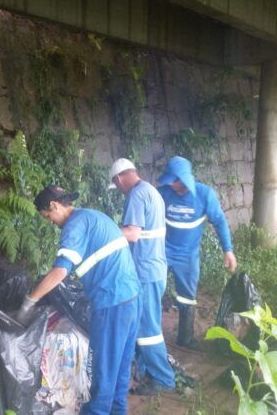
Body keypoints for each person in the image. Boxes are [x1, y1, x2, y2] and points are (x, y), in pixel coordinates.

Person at [15, 185, 141, 415]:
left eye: (47, 216)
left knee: (101, 378)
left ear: (54, 205)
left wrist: (29, 301)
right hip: (131, 299)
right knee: (119, 377)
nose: (50, 221)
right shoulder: (94, 216)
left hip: (111, 303)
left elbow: (60, 271)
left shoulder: (74, 225)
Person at [108, 158, 175, 394]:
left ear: (119, 179)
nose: (119, 191)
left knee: (148, 329)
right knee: (143, 324)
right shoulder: (152, 191)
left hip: (145, 271)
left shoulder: (136, 195)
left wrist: (105, 231)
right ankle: (146, 371)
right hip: (155, 268)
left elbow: (133, 234)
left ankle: (164, 379)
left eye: (116, 186)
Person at [157, 156, 237, 349]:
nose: (171, 185)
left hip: (188, 256)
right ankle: (149, 335)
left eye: (174, 181)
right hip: (162, 252)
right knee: (152, 290)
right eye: (169, 181)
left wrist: (228, 250)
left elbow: (219, 222)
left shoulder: (204, 195)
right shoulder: (162, 194)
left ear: (183, 179)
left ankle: (185, 339)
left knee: (187, 296)